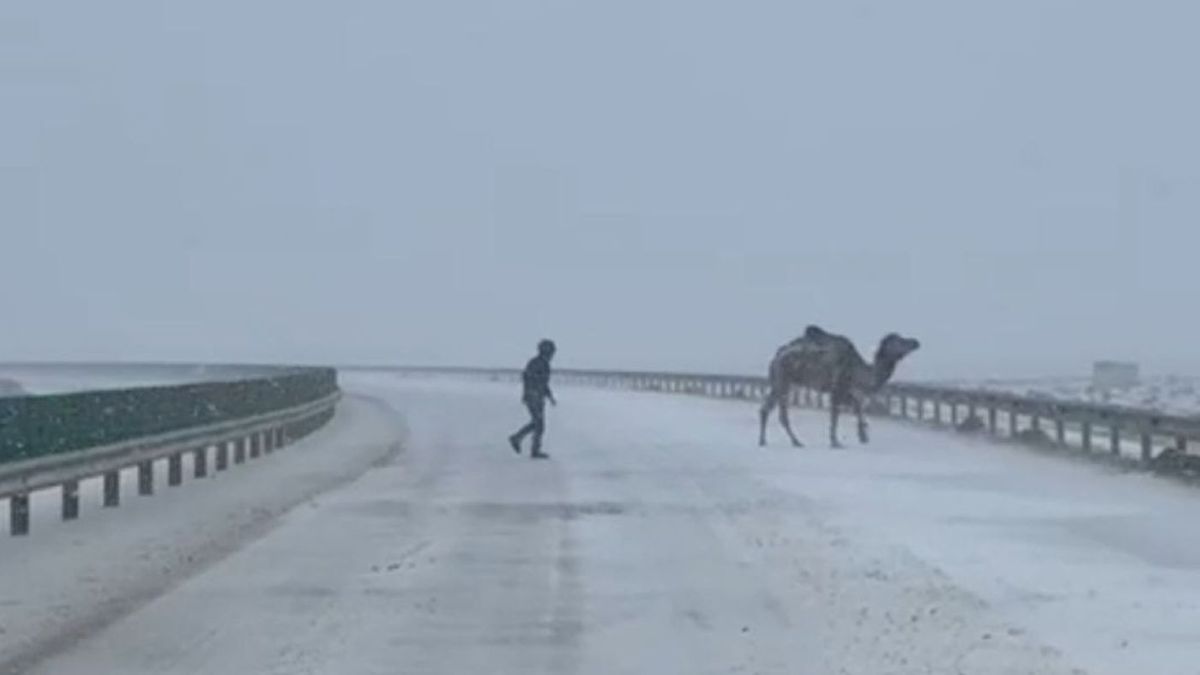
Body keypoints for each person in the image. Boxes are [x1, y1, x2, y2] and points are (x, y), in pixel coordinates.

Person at [508, 339, 557, 459]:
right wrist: (532, 393)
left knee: (538, 424)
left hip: (537, 397)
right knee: (538, 423)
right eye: (551, 352)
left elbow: (543, 383)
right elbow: (529, 379)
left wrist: (549, 396)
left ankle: (525, 443)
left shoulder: (543, 363)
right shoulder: (537, 363)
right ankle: (519, 440)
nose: (552, 355)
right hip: (533, 397)